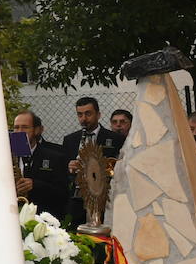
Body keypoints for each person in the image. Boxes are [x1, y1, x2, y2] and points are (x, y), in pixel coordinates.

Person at [62, 96, 121, 224]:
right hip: (77, 198)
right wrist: (69, 167)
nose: (84, 119)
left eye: (88, 114)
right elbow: (62, 171)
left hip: (105, 197)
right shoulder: (70, 140)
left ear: (98, 115)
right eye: (80, 114)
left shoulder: (115, 138)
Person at [16, 111, 69, 221]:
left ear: (36, 130)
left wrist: (35, 185)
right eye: (16, 128)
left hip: (43, 220)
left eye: (25, 127)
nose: (19, 132)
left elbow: (63, 194)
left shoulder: (54, 157)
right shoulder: (6, 157)